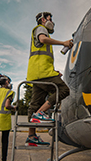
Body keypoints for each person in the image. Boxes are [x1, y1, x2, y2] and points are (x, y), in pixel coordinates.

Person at [26, 11, 73, 146]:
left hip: (36, 74)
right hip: (43, 73)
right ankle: (40, 114)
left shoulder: (39, 30)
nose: (51, 21)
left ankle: (31, 136)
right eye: (49, 18)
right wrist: (63, 42)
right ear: (42, 20)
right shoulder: (41, 29)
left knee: (35, 103)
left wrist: (54, 72)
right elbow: (43, 39)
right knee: (64, 90)